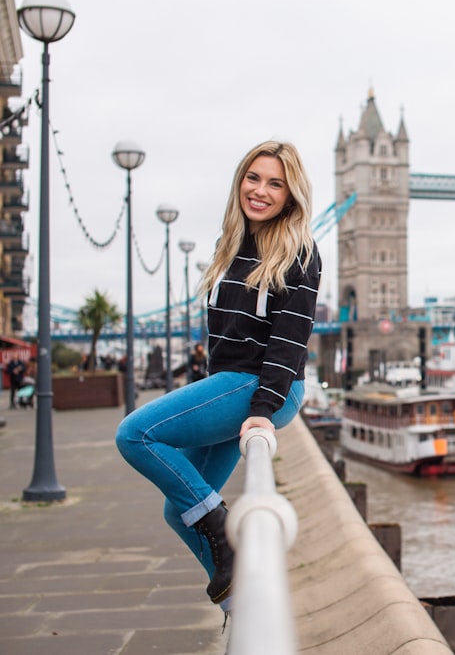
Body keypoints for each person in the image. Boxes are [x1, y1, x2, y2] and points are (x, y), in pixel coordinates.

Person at [115, 141, 320, 613]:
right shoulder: (228, 246)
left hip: (265, 387)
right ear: (239, 181)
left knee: (135, 435)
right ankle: (239, 603)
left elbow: (291, 339)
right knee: (177, 509)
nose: (261, 191)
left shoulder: (301, 252)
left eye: (275, 183)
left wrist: (262, 410)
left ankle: (233, 546)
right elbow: (221, 339)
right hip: (230, 384)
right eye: (253, 178)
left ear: (291, 195)